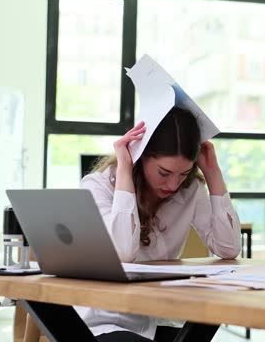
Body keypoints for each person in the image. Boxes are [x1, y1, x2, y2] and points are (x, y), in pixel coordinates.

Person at [78, 107, 242, 341]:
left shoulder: (190, 190)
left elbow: (228, 248)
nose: (173, 184)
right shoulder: (98, 186)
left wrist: (213, 172)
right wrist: (126, 167)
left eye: (184, 173)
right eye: (164, 172)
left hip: (160, 316)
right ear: (141, 154)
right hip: (106, 320)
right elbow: (122, 251)